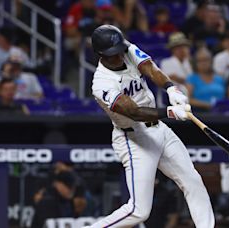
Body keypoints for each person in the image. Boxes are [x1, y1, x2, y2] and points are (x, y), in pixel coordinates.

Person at [88, 25, 214, 227]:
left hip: (160, 130)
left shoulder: (125, 48)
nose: (119, 56)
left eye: (120, 51)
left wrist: (171, 89)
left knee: (192, 180)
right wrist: (170, 112)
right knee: (139, 211)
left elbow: (149, 67)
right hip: (134, 139)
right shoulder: (101, 83)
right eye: (113, 54)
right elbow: (133, 112)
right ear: (100, 54)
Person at [186, 47, 225, 112]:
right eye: (200, 61)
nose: (203, 63)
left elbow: (226, 98)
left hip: (221, 113)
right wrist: (208, 105)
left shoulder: (219, 78)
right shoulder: (191, 78)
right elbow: (188, 99)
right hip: (200, 114)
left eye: (206, 60)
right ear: (195, 63)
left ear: (211, 61)